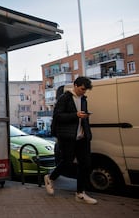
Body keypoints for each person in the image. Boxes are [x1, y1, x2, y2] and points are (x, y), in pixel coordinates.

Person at [44, 76, 97, 204]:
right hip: (68, 137)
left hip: (82, 137)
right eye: (82, 89)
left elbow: (83, 118)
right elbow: (58, 116)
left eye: (85, 90)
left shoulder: (83, 99)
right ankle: (50, 177)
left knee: (85, 164)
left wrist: (87, 132)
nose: (83, 92)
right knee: (67, 162)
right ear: (75, 85)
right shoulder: (65, 98)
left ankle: (80, 194)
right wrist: (75, 115)